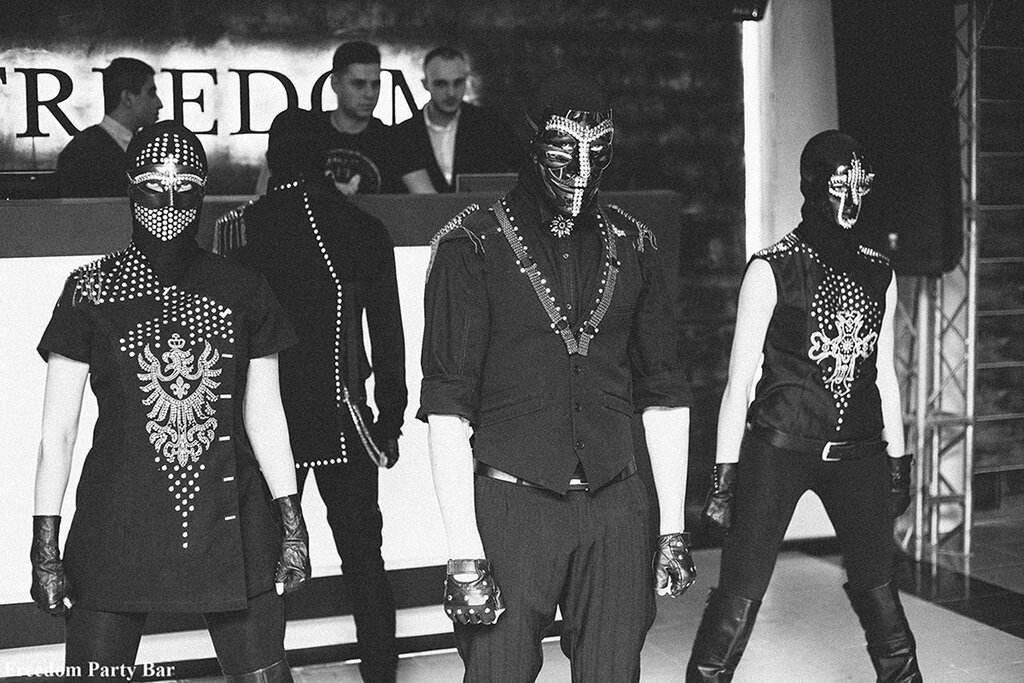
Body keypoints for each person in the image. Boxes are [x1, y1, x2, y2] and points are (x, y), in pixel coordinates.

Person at [419, 68, 696, 682]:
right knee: (498, 673)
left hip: (617, 503)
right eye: (563, 149)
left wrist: (673, 529)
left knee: (613, 674)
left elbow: (664, 392)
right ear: (531, 144)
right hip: (512, 503)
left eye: (598, 149)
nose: (581, 168)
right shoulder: (472, 244)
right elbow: (446, 406)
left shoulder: (635, 243)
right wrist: (463, 550)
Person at [31, 121, 310, 683]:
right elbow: (57, 433)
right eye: (155, 183)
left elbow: (265, 416)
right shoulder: (90, 289)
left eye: (185, 184)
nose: (170, 198)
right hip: (116, 525)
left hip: (230, 522)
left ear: (204, 190)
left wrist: (293, 524)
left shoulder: (243, 289)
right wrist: (44, 545)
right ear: (130, 187)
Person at [686, 130, 920, 682]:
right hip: (780, 448)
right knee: (739, 591)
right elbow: (738, 383)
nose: (852, 199)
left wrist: (899, 462)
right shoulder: (772, 268)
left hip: (861, 451)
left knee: (881, 593)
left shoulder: (879, 271)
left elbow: (885, 373)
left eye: (861, 185)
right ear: (811, 186)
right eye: (839, 185)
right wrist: (724, 478)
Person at [217, 108, 408, 683]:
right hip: (344, 415)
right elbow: (389, 336)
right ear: (326, 157)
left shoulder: (239, 230)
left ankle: (265, 673)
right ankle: (381, 672)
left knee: (265, 562)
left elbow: (224, 343)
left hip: (263, 422)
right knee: (363, 558)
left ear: (270, 158)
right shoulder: (362, 228)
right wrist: (390, 421)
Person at [254, 41, 432, 196]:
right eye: (358, 84)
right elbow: (263, 196)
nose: (369, 94)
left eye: (375, 84)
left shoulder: (394, 140)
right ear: (335, 83)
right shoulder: (300, 129)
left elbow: (428, 202)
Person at [395, 47, 520, 192]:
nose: (451, 93)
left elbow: (521, 171)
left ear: (466, 81)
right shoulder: (405, 133)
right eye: (441, 84)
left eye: (458, 82)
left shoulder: (490, 125)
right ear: (425, 84)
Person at [55, 57, 162, 198]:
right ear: (128, 98)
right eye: (151, 93)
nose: (159, 103)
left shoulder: (80, 149)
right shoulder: (80, 154)